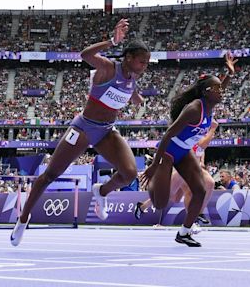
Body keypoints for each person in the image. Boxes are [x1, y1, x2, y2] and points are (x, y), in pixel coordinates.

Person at [11, 19, 150, 246]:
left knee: (129, 173)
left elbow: (129, 89)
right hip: (83, 128)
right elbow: (85, 55)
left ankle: (102, 191)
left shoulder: (133, 78)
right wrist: (111, 41)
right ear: (128, 58)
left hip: (106, 132)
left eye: (147, 63)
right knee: (49, 175)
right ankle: (24, 217)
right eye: (142, 61)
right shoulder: (107, 68)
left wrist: (136, 97)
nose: (145, 66)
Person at [141, 53, 238, 247]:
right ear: (206, 92)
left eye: (221, 88)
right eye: (217, 88)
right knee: (160, 202)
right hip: (168, 150)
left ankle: (184, 232)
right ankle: (153, 182)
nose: (222, 91)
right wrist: (154, 165)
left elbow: (221, 87)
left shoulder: (211, 101)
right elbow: (168, 134)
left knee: (200, 190)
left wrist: (230, 73)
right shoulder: (194, 109)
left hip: (185, 151)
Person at [134, 120, 219, 226]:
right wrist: (213, 128)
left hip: (195, 168)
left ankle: (197, 215)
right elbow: (202, 145)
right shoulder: (190, 132)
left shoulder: (201, 132)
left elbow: (201, 150)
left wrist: (201, 162)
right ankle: (143, 206)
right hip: (181, 167)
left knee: (210, 183)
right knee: (172, 195)